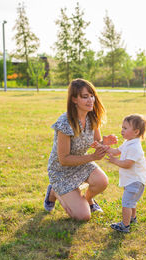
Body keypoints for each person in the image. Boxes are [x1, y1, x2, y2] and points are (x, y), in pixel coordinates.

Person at [43, 78, 117, 221]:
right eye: (85, 97)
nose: (90, 100)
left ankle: (89, 200)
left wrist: (104, 142)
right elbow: (64, 159)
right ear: (74, 99)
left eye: (91, 95)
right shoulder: (65, 122)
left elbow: (96, 143)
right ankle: (54, 191)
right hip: (61, 171)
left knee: (102, 181)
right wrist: (92, 157)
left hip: (80, 164)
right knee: (83, 216)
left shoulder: (92, 117)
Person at [102, 114, 146, 233]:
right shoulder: (128, 142)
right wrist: (105, 147)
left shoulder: (135, 147)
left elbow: (128, 164)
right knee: (131, 202)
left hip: (135, 181)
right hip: (132, 180)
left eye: (125, 128)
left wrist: (115, 161)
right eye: (122, 127)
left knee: (126, 203)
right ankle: (132, 218)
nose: (122, 130)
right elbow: (116, 151)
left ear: (136, 132)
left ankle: (125, 225)